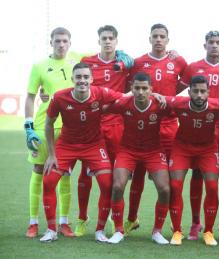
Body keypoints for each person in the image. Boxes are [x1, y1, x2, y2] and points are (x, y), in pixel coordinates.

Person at [41, 62, 123, 242]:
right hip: (66, 145)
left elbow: (126, 97)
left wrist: (152, 94)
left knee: (107, 185)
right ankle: (51, 230)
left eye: (86, 77)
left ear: (92, 79)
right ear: (72, 79)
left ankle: (100, 230)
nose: (82, 81)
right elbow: (48, 124)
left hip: (94, 145)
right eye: (78, 77)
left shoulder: (100, 93)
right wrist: (52, 154)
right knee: (48, 182)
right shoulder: (60, 97)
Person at [178, 30, 219, 240]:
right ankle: (196, 223)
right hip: (199, 127)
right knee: (197, 174)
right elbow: (176, 88)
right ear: (204, 45)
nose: (214, 45)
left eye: (218, 42)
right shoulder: (193, 67)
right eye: (211, 42)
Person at [124, 23, 187, 235]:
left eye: (162, 36)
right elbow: (127, 87)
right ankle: (132, 218)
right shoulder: (139, 62)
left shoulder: (177, 61)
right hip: (144, 125)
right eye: (155, 36)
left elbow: (186, 83)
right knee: (139, 174)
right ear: (149, 38)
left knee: (168, 178)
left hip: (168, 125)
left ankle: (170, 219)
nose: (159, 39)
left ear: (168, 40)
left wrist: (167, 98)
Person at [74, 25, 134, 237]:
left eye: (111, 38)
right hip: (93, 124)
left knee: (116, 176)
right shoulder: (87, 62)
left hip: (118, 124)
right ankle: (82, 218)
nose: (107, 41)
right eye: (104, 38)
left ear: (117, 41)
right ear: (98, 40)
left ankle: (112, 218)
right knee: (86, 173)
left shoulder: (125, 63)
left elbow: (140, 78)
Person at [24, 27, 81, 238]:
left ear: (70, 43)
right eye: (57, 41)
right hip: (43, 126)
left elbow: (102, 52)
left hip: (68, 128)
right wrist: (28, 126)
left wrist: (120, 55)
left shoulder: (76, 60)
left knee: (65, 173)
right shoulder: (39, 66)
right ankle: (33, 222)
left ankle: (64, 222)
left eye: (65, 41)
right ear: (51, 42)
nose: (61, 45)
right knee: (39, 170)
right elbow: (30, 97)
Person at [168, 75, 219, 246]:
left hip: (207, 149)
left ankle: (208, 231)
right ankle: (177, 231)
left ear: (208, 93)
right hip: (182, 148)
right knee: (175, 186)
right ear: (189, 92)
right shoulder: (178, 103)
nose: (199, 95)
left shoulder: (218, 105)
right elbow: (158, 98)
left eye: (203, 91)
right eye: (195, 91)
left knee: (212, 187)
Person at [106, 72, 171, 245]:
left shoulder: (160, 104)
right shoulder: (123, 103)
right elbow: (100, 106)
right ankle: (119, 230)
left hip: (153, 151)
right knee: (118, 186)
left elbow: (185, 106)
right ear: (131, 89)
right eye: (137, 88)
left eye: (144, 88)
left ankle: (157, 231)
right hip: (128, 151)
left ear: (151, 89)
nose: (141, 92)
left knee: (164, 189)